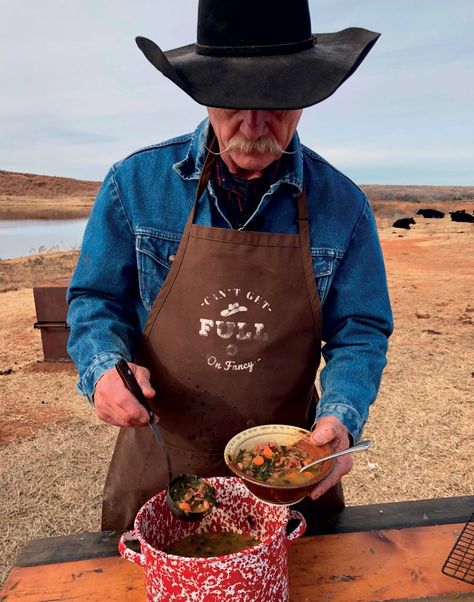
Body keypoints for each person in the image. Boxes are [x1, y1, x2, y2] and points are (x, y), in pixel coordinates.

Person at [67, 0, 393, 531]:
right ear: (205, 94)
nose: (256, 125)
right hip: (161, 464)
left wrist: (342, 416)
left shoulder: (344, 206)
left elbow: (361, 330)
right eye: (235, 102)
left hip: (290, 478)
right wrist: (103, 366)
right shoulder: (135, 184)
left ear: (305, 99)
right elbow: (96, 300)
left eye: (279, 104)